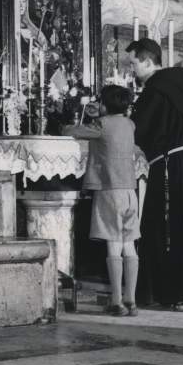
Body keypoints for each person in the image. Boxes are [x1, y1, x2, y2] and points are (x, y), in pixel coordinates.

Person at [126, 38, 183, 311]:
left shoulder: (155, 89)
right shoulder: (173, 85)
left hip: (170, 164)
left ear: (146, 61)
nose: (132, 69)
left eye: (133, 63)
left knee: (173, 226)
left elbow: (140, 129)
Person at [64, 85, 141, 317]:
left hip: (110, 192)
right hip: (130, 192)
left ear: (104, 105)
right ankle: (132, 300)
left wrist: (73, 120)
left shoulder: (102, 125)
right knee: (129, 245)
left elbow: (72, 131)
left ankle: (116, 301)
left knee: (113, 245)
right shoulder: (130, 124)